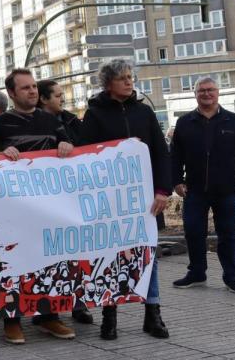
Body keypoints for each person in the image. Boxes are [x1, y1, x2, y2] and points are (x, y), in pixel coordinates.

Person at [80, 59, 170, 340]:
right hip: (111, 201)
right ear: (108, 84)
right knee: (110, 257)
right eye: (122, 78)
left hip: (146, 200)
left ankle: (153, 314)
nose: (129, 82)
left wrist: (163, 190)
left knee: (148, 256)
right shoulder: (94, 114)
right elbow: (87, 155)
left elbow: (161, 153)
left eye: (131, 77)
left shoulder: (144, 111)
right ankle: (109, 317)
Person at [0, 69, 78, 343]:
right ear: (11, 93)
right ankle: (12, 321)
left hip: (48, 205)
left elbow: (72, 146)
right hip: (13, 206)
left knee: (50, 261)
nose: (32, 91)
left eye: (34, 86)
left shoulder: (50, 120)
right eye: (25, 87)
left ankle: (49, 317)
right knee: (12, 261)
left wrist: (67, 144)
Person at [170, 77, 235, 293]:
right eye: (201, 90)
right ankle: (197, 274)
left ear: (218, 93)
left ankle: (232, 277)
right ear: (195, 94)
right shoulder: (184, 123)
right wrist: (176, 181)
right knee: (193, 232)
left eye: (210, 89)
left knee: (227, 234)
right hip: (194, 189)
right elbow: (175, 156)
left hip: (227, 189)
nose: (206, 94)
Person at [37, 79, 82, 144]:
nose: (63, 100)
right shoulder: (32, 127)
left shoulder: (72, 120)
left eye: (62, 95)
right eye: (58, 96)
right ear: (44, 99)